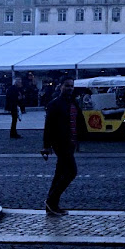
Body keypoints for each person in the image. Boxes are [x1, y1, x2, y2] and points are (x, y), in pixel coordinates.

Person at [42, 77, 86, 216]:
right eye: (67, 86)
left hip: (71, 142)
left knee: (59, 173)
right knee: (71, 172)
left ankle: (52, 204)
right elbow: (48, 126)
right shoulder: (55, 104)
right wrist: (46, 146)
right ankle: (51, 200)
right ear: (60, 86)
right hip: (60, 143)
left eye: (72, 86)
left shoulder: (73, 102)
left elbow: (78, 121)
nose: (70, 88)